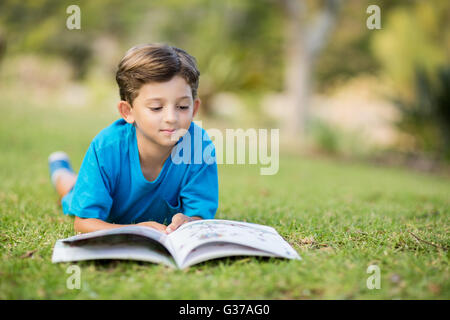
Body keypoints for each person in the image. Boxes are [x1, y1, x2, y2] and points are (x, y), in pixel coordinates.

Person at [48, 43, 218, 234]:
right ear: (128, 112)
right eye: (156, 107)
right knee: (70, 189)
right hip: (102, 205)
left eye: (182, 107)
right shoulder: (106, 147)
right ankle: (59, 167)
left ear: (194, 108)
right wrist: (135, 229)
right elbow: (84, 222)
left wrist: (189, 220)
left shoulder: (199, 147)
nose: (171, 118)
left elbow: (200, 217)